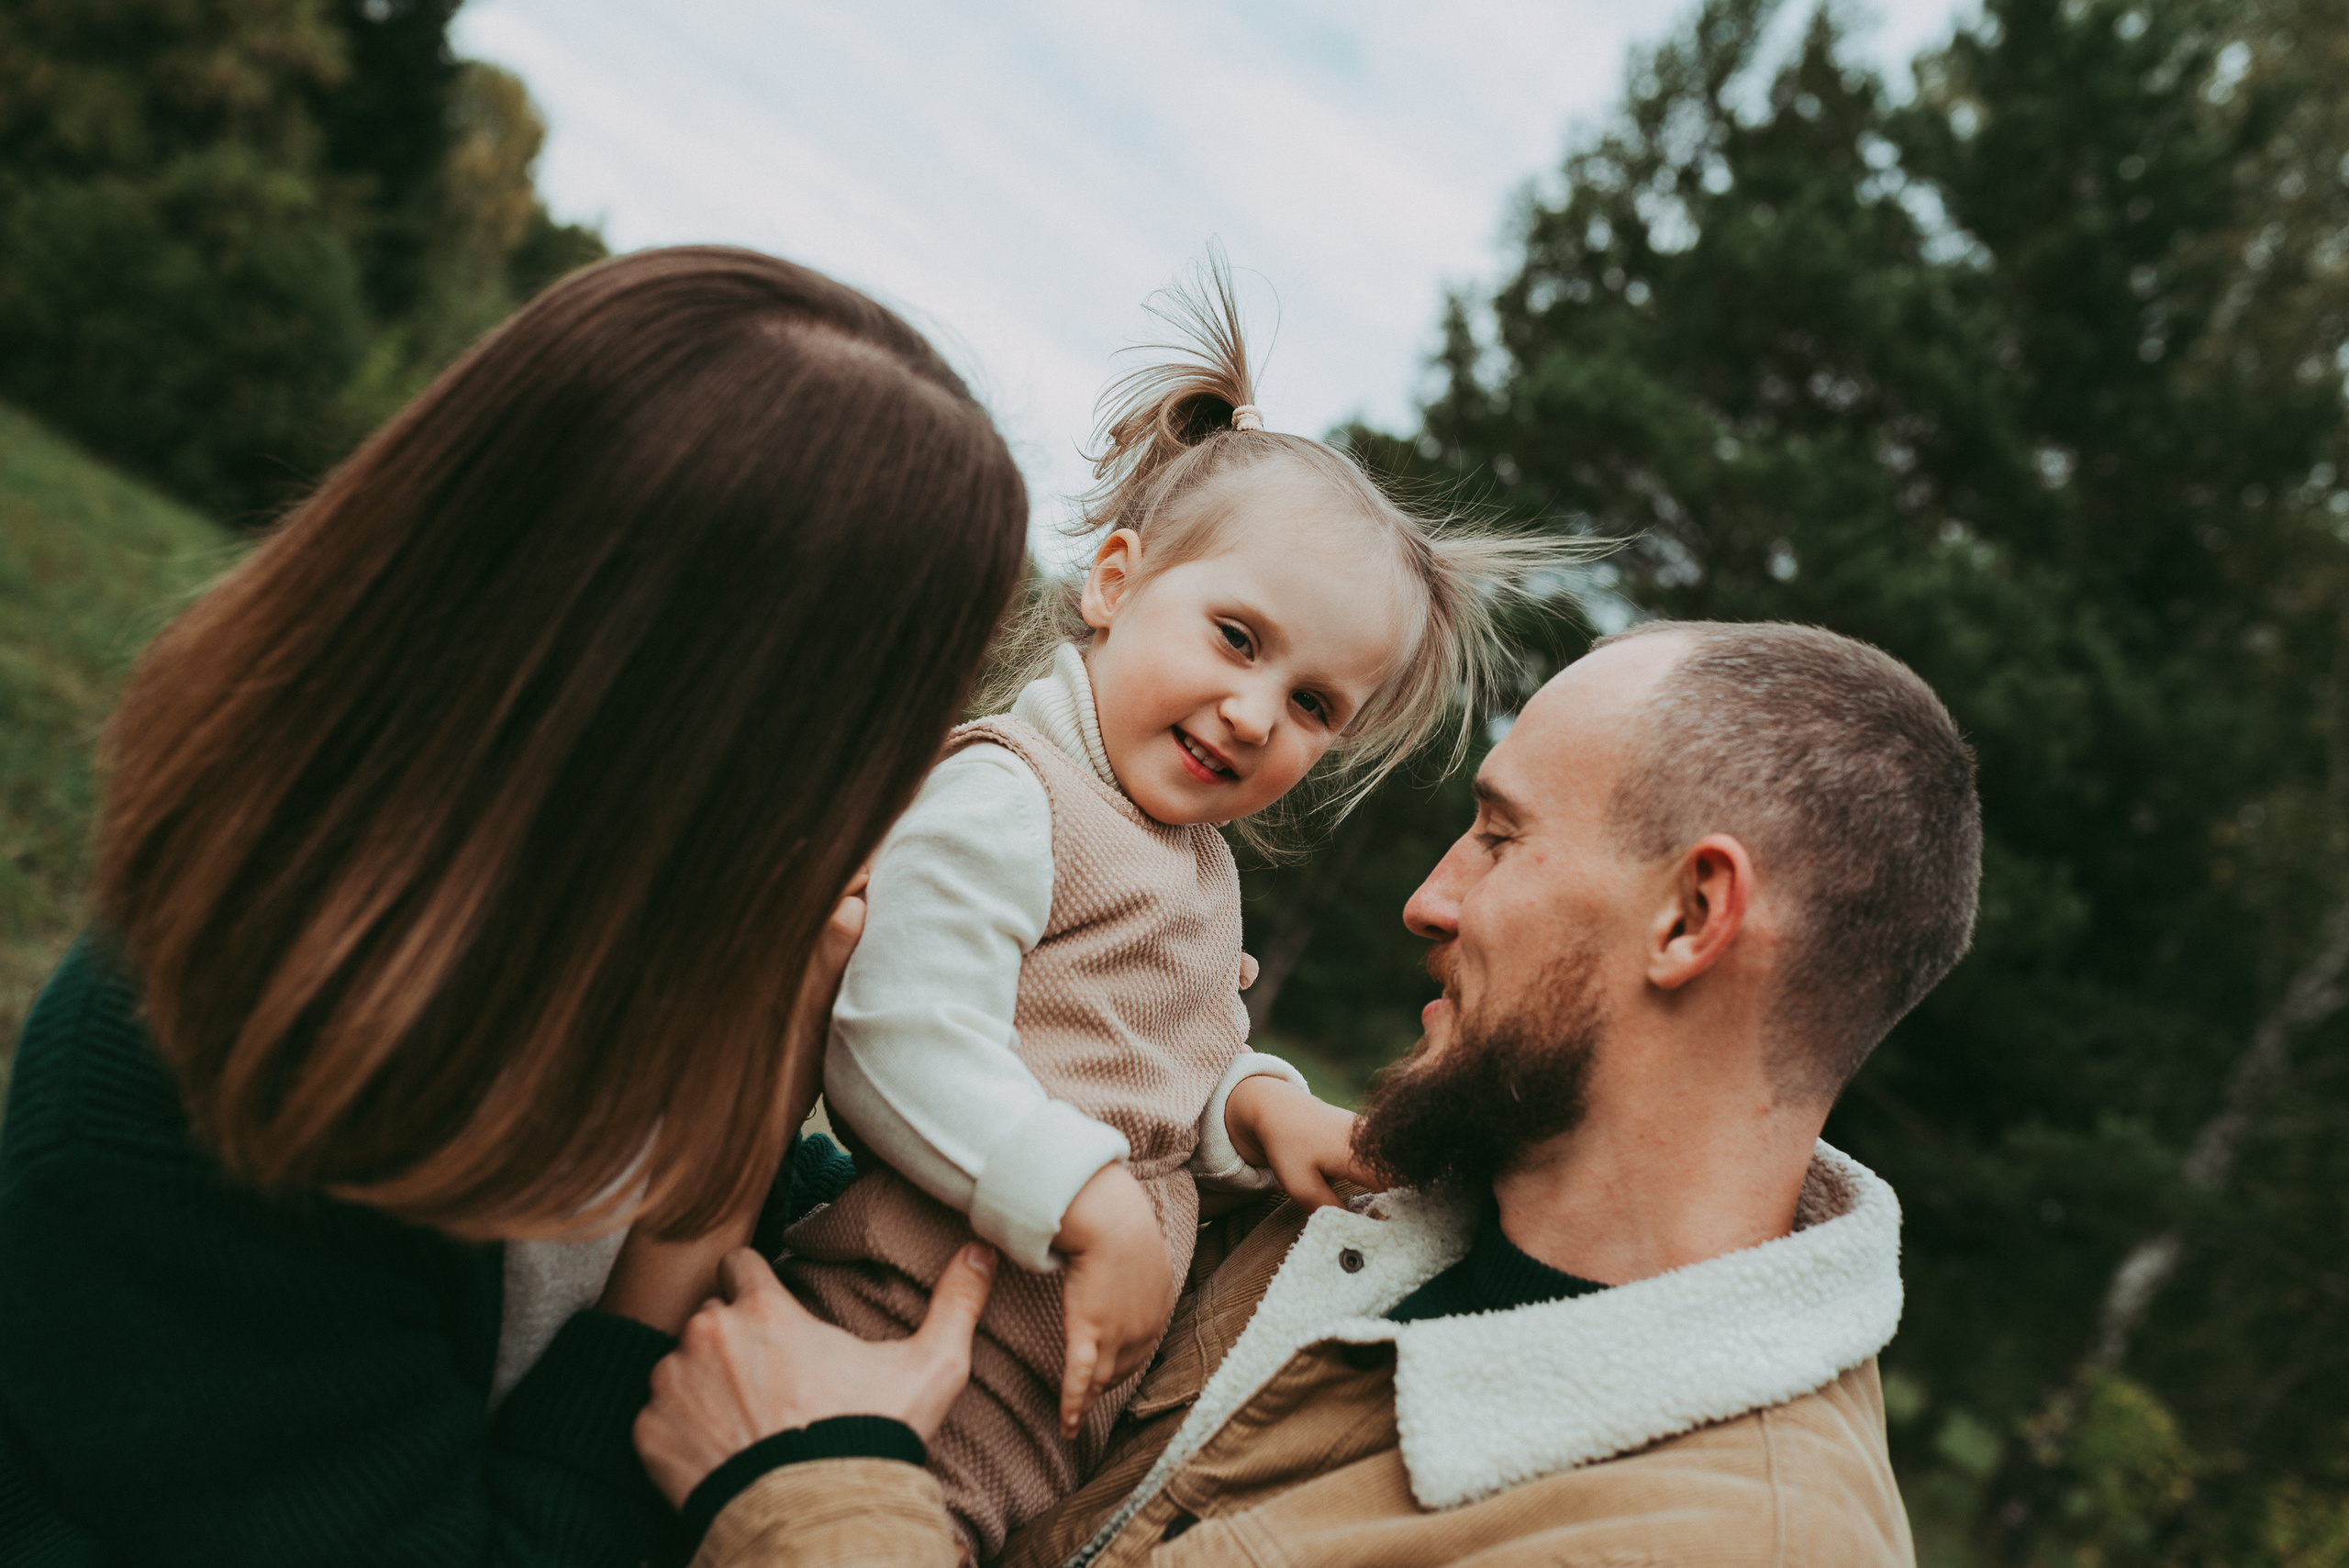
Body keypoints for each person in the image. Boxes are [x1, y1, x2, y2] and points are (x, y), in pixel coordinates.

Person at [0, 246, 1028, 1565]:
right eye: (908, 718)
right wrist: (665, 1291)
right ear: (729, 731)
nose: (922, 773)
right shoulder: (201, 1105)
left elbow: (748, 1194)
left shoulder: (636, 948)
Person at [636, 617, 1982, 1567]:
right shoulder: (1352, 1210)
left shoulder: (1731, 1544)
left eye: (1501, 837)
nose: (1427, 897)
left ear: (1691, 915)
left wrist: (801, 1493)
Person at [775, 257, 1601, 1562]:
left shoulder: (1194, 867)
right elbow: (894, 1035)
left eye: (1317, 703)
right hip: (879, 1342)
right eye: (1236, 636)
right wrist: (1091, 1200)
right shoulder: (1012, 790)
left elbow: (1165, 1068)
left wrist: (1261, 1108)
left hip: (1029, 1423)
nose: (1257, 712)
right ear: (1113, 583)